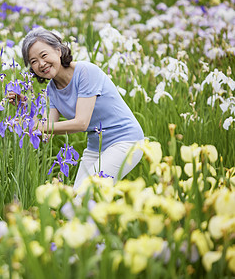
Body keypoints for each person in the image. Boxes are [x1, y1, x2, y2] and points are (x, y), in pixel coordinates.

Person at [9, 27, 144, 189]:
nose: (41, 64)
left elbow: (81, 123)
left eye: (44, 55)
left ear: (58, 50)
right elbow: (46, 133)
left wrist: (41, 126)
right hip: (96, 148)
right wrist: (25, 109)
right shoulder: (51, 90)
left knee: (86, 196)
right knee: (75, 205)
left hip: (126, 141)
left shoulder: (86, 72)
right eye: (33, 61)